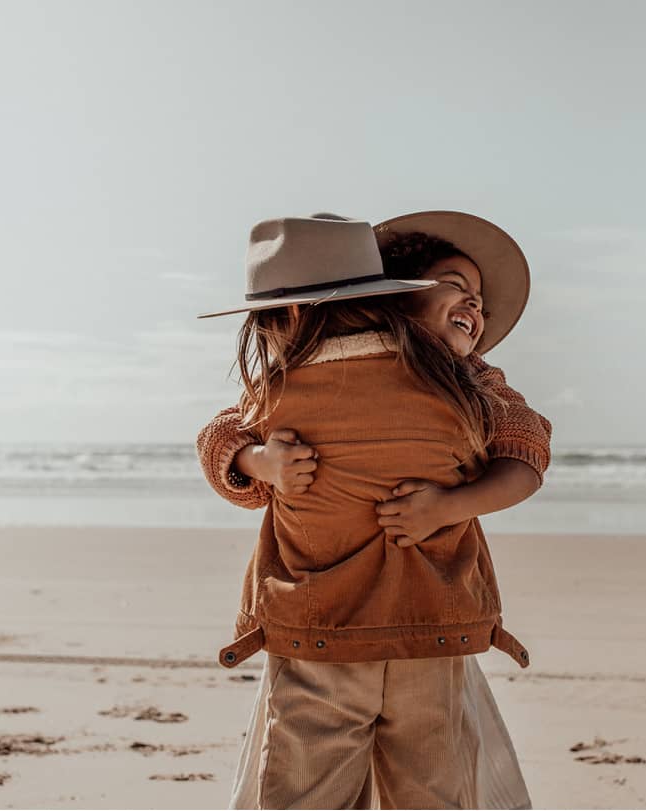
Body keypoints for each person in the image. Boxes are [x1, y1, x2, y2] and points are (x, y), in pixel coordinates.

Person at [196, 212, 551, 809]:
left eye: (480, 299)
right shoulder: (295, 387)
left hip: (326, 634)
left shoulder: (465, 383)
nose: (474, 305)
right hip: (419, 632)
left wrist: (449, 505)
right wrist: (263, 462)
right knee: (432, 792)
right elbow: (528, 452)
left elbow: (525, 451)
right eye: (455, 285)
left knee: (307, 793)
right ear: (397, 296)